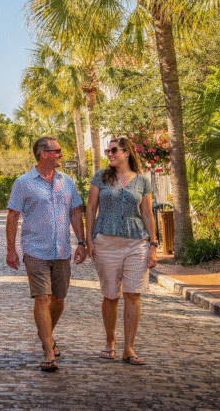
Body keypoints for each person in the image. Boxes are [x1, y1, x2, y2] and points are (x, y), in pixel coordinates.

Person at [6, 136, 87, 373]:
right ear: (43, 154)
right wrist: (11, 250)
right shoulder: (23, 183)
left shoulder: (67, 182)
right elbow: (12, 216)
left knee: (58, 300)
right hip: (35, 250)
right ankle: (48, 352)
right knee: (42, 297)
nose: (61, 154)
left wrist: (80, 242)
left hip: (62, 250)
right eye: (57, 151)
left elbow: (74, 212)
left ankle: (46, 334)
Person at [85, 136, 158, 366]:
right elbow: (90, 208)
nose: (110, 154)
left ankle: (129, 348)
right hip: (106, 241)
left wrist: (153, 245)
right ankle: (110, 342)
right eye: (108, 151)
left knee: (133, 294)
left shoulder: (142, 182)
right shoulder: (100, 177)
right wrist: (89, 240)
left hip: (136, 242)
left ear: (127, 153)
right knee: (110, 295)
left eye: (114, 150)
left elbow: (147, 214)